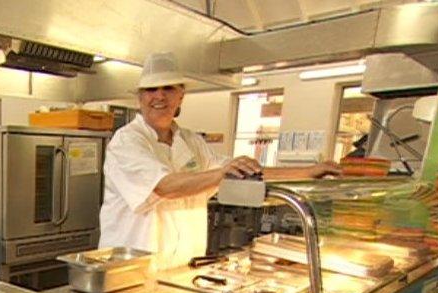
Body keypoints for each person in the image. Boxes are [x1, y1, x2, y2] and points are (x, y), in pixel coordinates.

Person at [99, 52, 341, 270]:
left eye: (168, 88)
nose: (159, 96)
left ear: (181, 96)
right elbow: (165, 186)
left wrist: (308, 171)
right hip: (131, 272)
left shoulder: (191, 142)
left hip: (181, 268)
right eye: (151, 90)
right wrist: (221, 174)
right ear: (140, 98)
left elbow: (243, 171)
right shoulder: (127, 141)